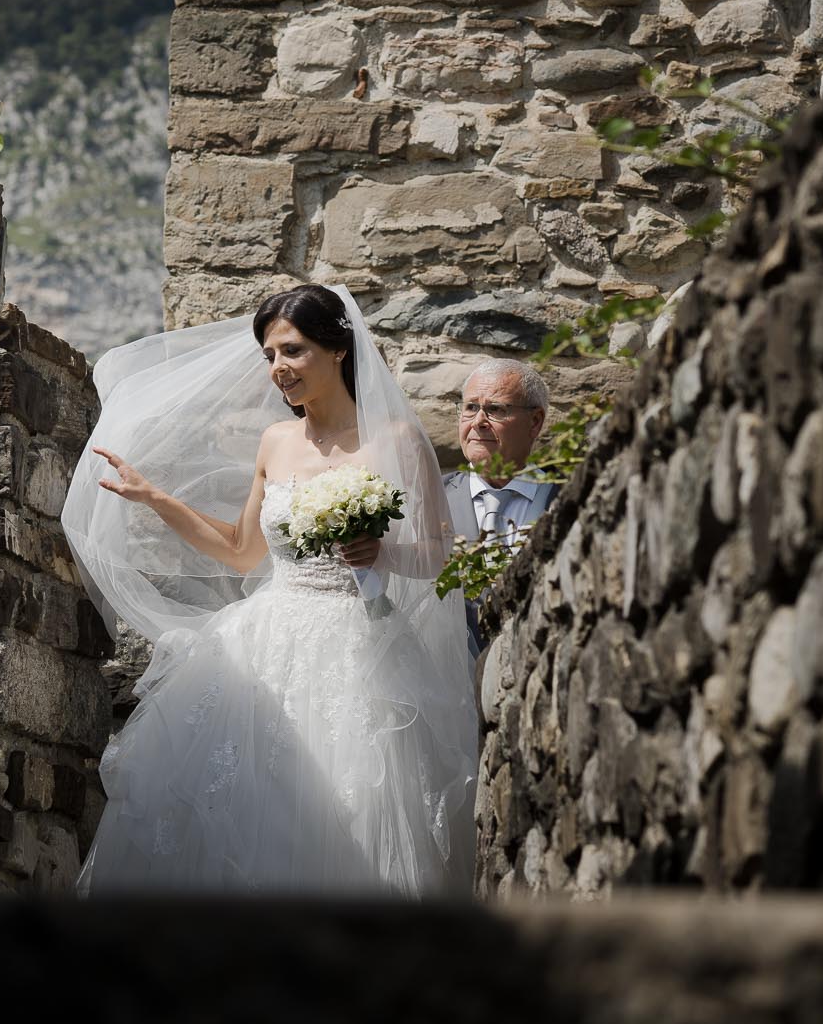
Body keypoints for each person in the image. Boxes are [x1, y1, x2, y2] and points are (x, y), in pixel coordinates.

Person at [60, 285, 477, 897]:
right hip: (270, 637)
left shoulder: (397, 439)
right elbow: (241, 550)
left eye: (293, 350)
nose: (278, 368)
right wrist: (155, 499)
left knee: (361, 807)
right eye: (269, 355)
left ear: (338, 348)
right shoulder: (276, 442)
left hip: (364, 646)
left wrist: (382, 551)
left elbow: (440, 553)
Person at [443, 360, 554, 657]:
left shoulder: (565, 503)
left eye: (496, 409)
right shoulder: (430, 500)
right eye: (470, 408)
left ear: (535, 422)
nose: (478, 421)